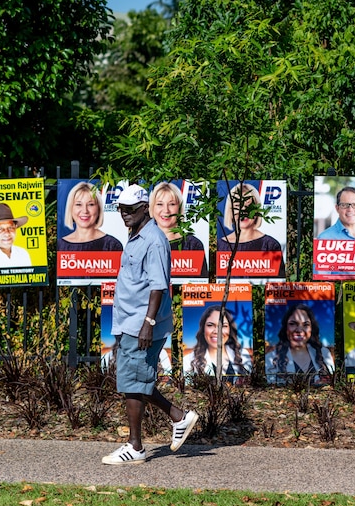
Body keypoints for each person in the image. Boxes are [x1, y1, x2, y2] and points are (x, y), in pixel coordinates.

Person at [101, 184, 197, 466]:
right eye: (121, 210)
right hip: (129, 321)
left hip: (142, 323)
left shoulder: (154, 240)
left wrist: (148, 323)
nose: (125, 215)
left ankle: (136, 446)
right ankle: (178, 417)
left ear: (144, 209)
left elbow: (158, 286)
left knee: (134, 382)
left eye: (130, 210)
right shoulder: (136, 236)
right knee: (135, 381)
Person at [217, 182, 283, 276]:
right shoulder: (220, 245)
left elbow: (276, 282)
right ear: (230, 210)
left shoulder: (270, 245)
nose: (243, 211)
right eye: (237, 206)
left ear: (257, 210)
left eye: (249, 207)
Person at [150, 182, 208, 277]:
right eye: (160, 204)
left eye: (172, 204)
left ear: (179, 208)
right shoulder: (143, 242)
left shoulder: (193, 245)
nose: (166, 210)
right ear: (152, 208)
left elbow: (200, 285)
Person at [265, 303, 334, 384]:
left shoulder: (324, 353)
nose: (299, 330)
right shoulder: (270, 358)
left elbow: (331, 383)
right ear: (285, 328)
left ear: (312, 328)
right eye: (293, 324)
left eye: (306, 324)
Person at [185, 305, 252, 377]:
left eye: (223, 326)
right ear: (203, 329)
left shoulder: (243, 355)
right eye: (210, 325)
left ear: (230, 329)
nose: (217, 331)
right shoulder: (188, 361)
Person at [57, 182, 123, 252]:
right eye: (78, 204)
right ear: (70, 208)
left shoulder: (112, 245)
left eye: (91, 204)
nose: (85, 211)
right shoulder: (60, 245)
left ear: (99, 208)